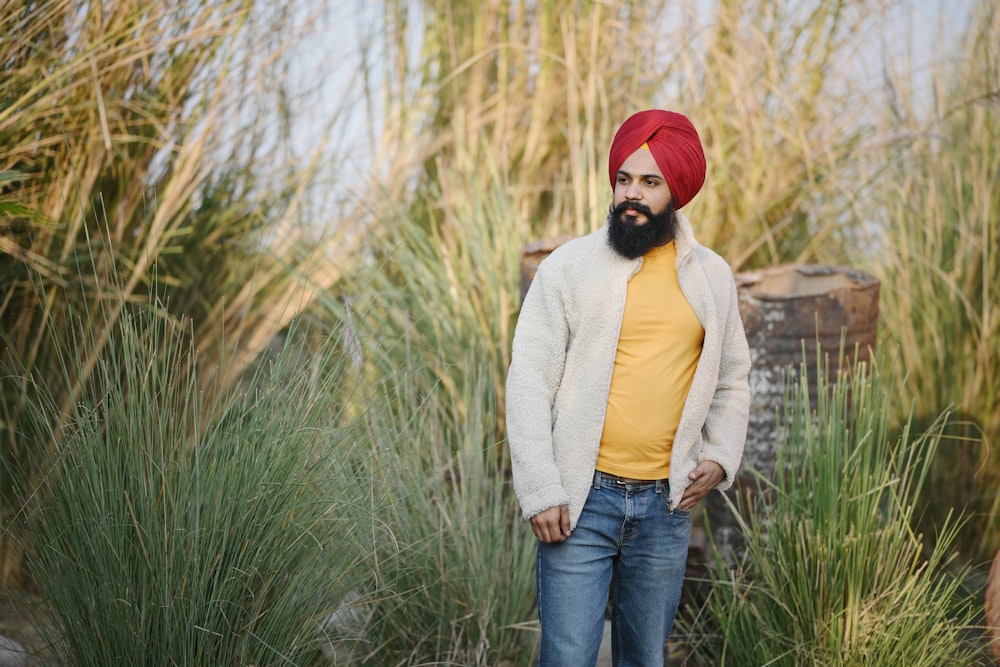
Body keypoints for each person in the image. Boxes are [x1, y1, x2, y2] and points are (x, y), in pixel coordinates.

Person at [506, 109, 751, 666]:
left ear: (677, 191)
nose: (631, 195)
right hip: (578, 502)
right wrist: (540, 487)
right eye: (624, 179)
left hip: (665, 507)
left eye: (650, 182)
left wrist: (719, 455)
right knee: (567, 658)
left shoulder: (712, 277)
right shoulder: (568, 269)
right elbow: (528, 379)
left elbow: (734, 376)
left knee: (644, 658)